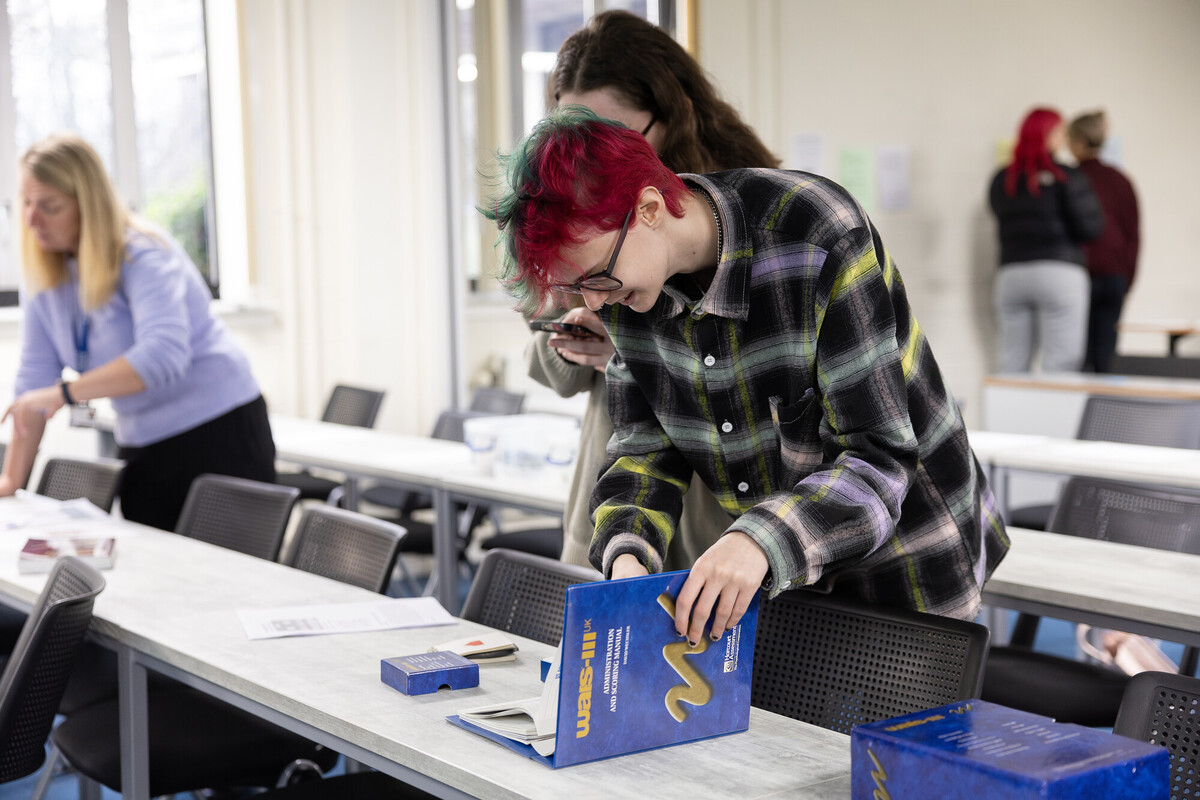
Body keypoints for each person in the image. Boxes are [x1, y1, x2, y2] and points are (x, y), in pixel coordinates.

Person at [488, 108, 1009, 645]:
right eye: (580, 287)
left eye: (597, 276)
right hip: (789, 571)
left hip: (911, 559)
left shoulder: (817, 234)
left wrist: (757, 542)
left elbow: (878, 462)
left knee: (883, 729)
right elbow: (642, 453)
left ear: (647, 208)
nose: (594, 301)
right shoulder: (626, 290)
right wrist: (628, 556)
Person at [525, 10, 780, 572]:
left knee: (707, 638)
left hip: (720, 498)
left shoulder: (747, 204)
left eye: (611, 132)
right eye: (575, 131)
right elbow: (545, 358)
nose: (591, 152)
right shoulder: (566, 211)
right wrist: (575, 342)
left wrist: (644, 344)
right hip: (619, 469)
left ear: (670, 115)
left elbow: (772, 370)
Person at [1, 133, 275, 531]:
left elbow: (163, 356)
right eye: (25, 202)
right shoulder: (46, 276)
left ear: (88, 205)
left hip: (219, 430)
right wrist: (11, 482)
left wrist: (64, 393)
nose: (31, 219)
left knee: (232, 581)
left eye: (49, 206)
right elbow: (32, 386)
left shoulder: (142, 252)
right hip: (144, 440)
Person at [989, 107, 1105, 373]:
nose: (1064, 139)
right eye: (1061, 132)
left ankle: (1009, 416)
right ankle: (1057, 416)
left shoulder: (1001, 179)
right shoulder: (1068, 176)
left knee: (1012, 363)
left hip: (1012, 275)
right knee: (1061, 365)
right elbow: (1091, 227)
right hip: (1060, 273)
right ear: (1049, 136)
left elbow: (997, 212)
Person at [1068, 110, 1140, 373]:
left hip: (1080, 275)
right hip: (1114, 277)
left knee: (1080, 355)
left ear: (1078, 142)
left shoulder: (1071, 179)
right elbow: (1133, 236)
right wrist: (1127, 281)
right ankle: (1106, 411)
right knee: (1106, 355)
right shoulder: (1121, 181)